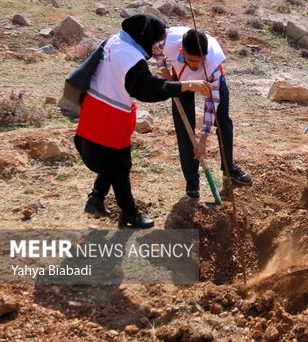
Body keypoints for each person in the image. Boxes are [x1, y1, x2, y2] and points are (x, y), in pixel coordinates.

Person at [75, 14, 211, 228]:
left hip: (93, 107)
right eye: (155, 42)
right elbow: (146, 89)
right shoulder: (131, 58)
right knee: (121, 165)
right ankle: (129, 213)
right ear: (146, 37)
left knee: (112, 161)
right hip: (111, 114)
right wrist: (186, 86)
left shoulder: (116, 41)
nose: (157, 47)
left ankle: (96, 197)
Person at [154, 26, 251, 200]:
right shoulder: (167, 41)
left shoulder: (212, 63)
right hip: (181, 80)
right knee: (184, 126)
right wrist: (165, 73)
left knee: (222, 120)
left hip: (212, 81)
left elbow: (211, 104)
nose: (196, 65)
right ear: (182, 52)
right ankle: (192, 180)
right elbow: (156, 48)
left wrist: (203, 140)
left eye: (200, 60)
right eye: (192, 60)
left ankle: (228, 169)